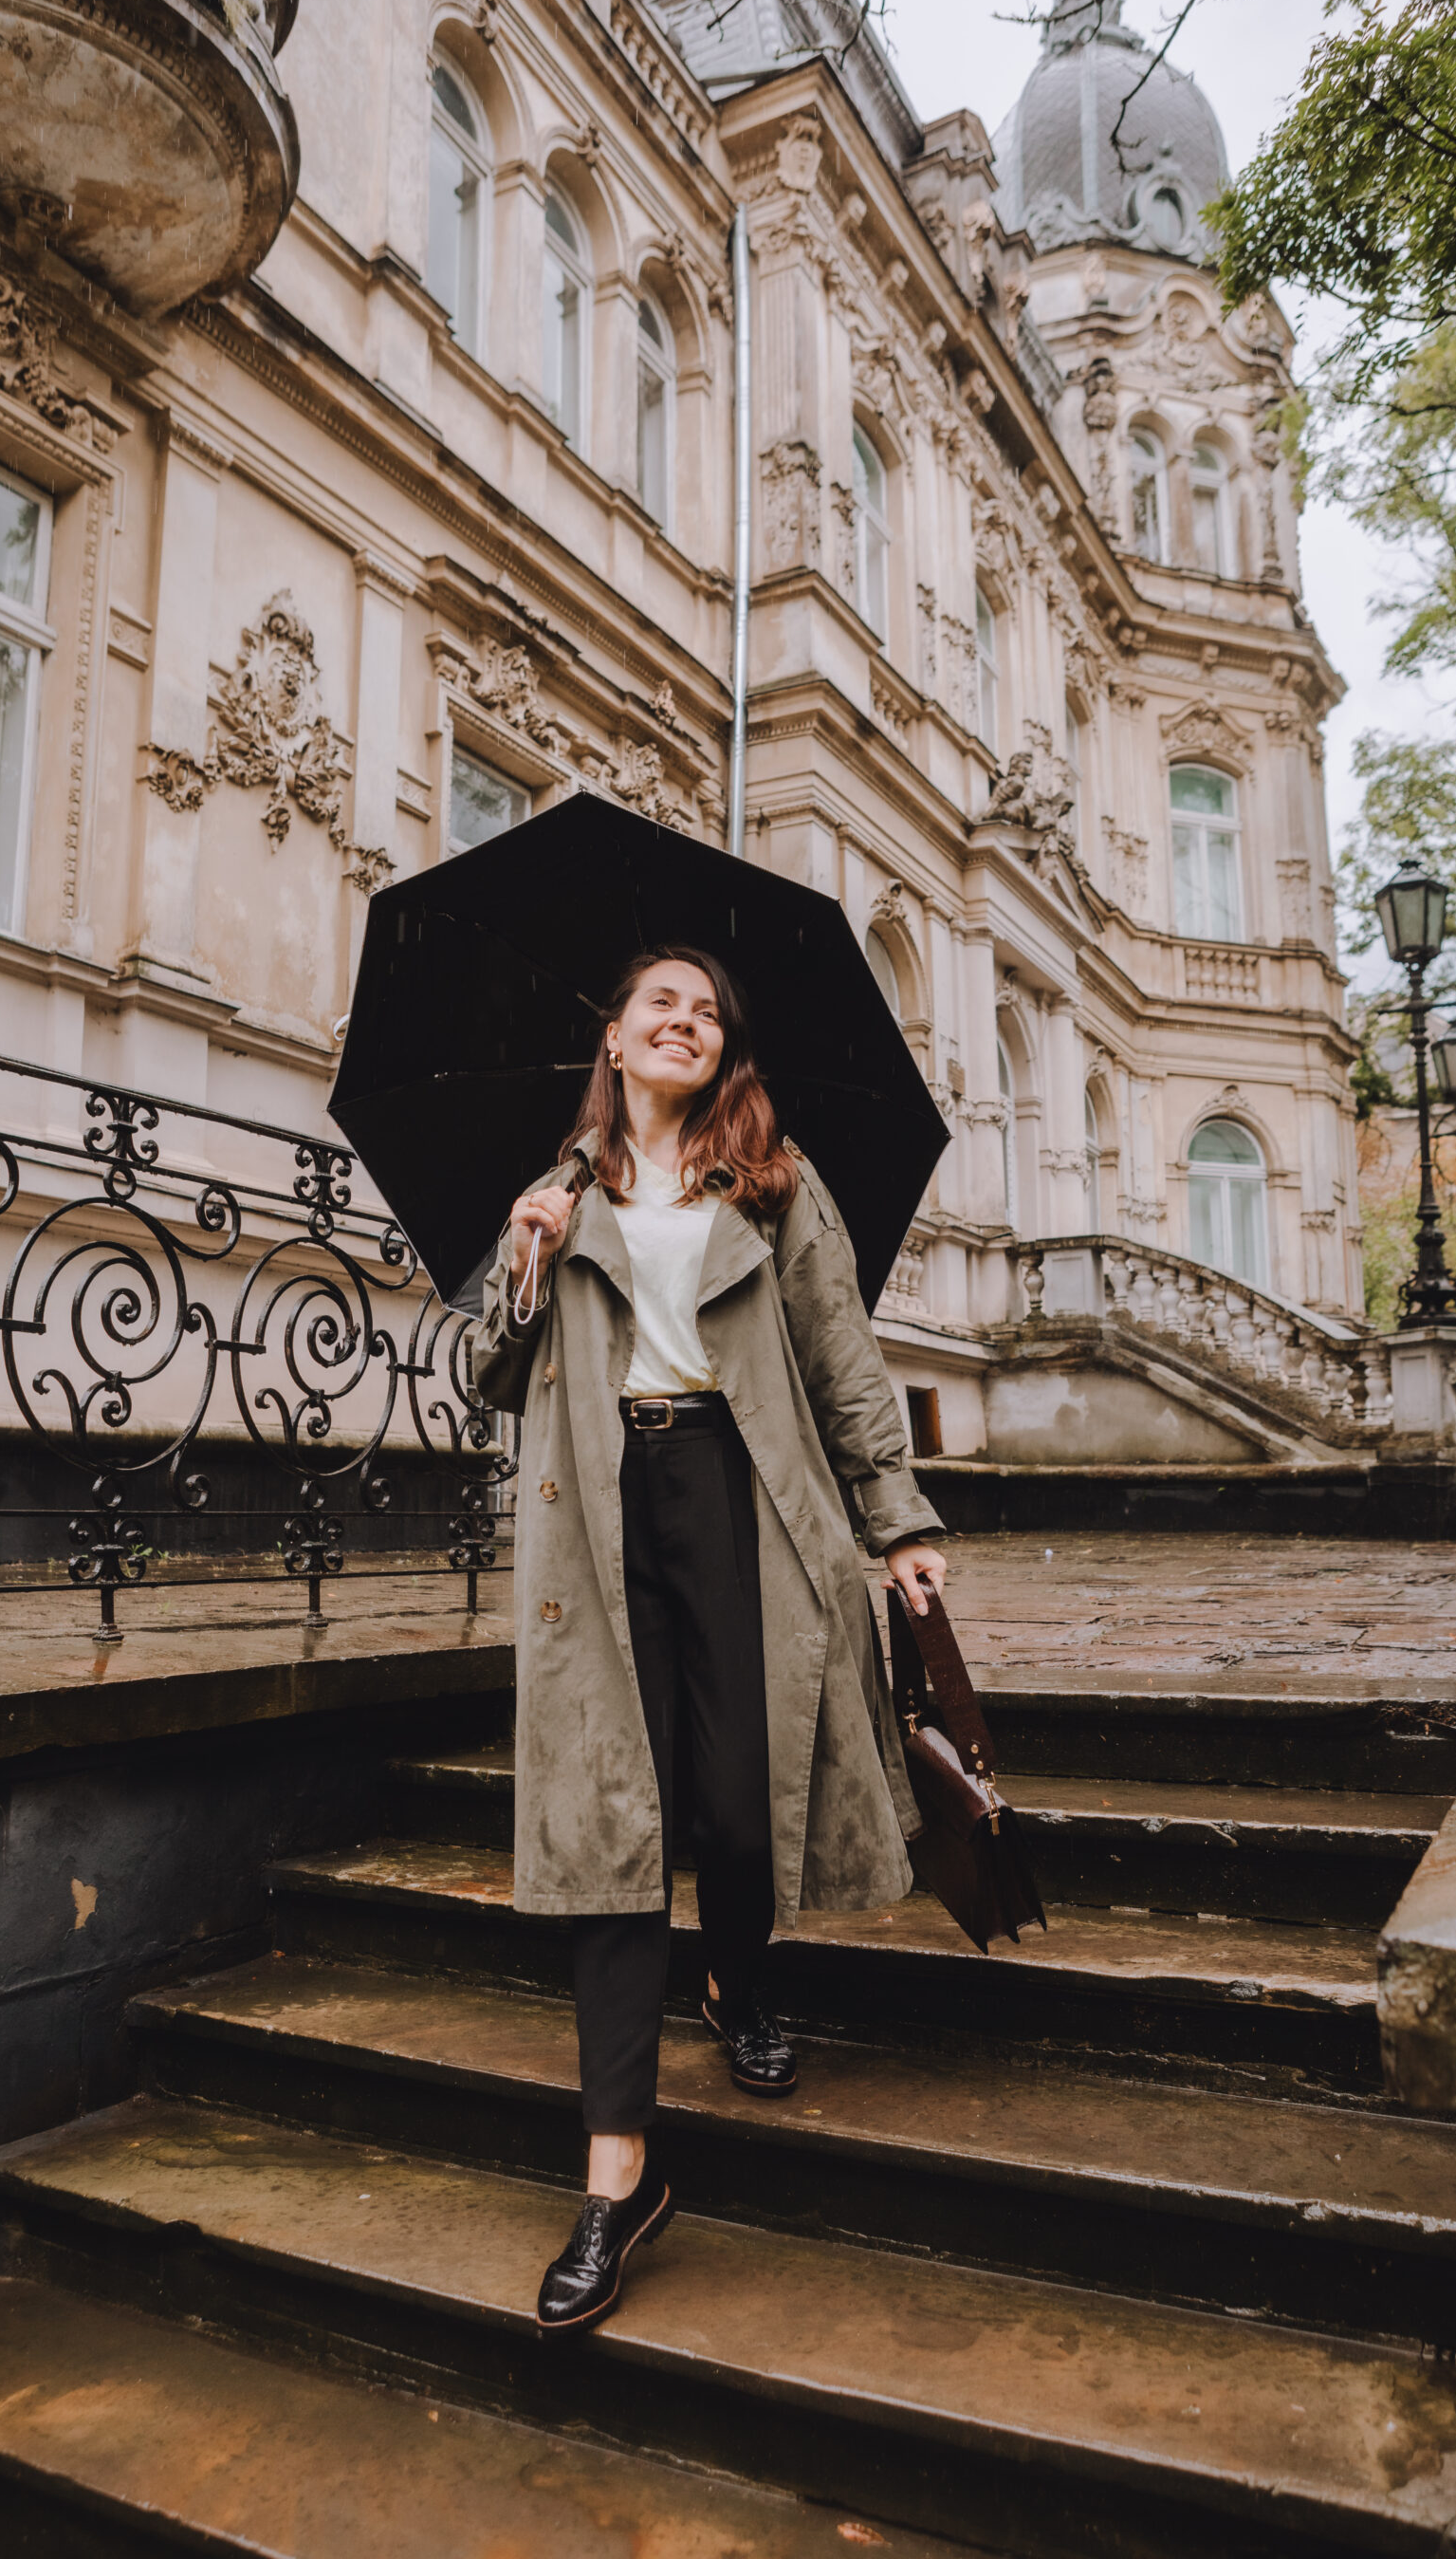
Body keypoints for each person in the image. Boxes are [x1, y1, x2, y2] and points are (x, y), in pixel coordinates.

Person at [472, 945, 947, 2337]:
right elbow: (493, 1374)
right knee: (617, 1828)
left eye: (706, 1011)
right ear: (613, 1040)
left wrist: (898, 1520)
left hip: (743, 1496)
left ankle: (738, 1970)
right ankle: (617, 2179)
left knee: (741, 1799)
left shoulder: (776, 1182)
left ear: (721, 1048)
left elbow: (846, 1360)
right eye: (656, 1006)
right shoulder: (557, 1194)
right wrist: (521, 1262)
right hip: (601, 1516)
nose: (682, 1022)